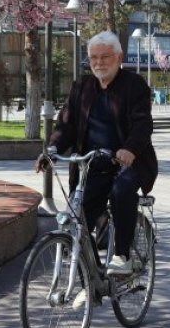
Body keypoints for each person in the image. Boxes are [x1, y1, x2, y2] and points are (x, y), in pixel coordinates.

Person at [39, 31, 158, 276]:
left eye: (105, 57)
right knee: (77, 219)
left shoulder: (134, 85)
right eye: (94, 57)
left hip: (127, 164)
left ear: (119, 57)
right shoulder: (82, 87)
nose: (99, 63)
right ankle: (90, 280)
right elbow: (66, 125)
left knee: (121, 191)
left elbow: (142, 124)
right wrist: (52, 150)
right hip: (91, 167)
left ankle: (122, 255)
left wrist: (129, 149)